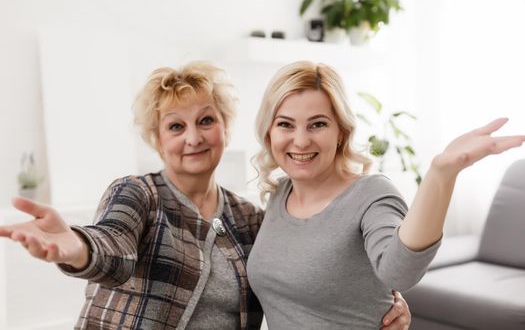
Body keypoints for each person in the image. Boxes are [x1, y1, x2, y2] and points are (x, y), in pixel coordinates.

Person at [0, 61, 411, 329]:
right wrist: (75, 247)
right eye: (175, 127)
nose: (193, 138)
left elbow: (302, 274)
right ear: (157, 140)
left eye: (206, 120)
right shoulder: (139, 194)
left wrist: (382, 303)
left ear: (227, 129)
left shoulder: (251, 218)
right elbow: (113, 247)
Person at [247, 60, 525, 330]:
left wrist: (440, 174)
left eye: (317, 124)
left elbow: (399, 272)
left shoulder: (371, 194)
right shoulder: (279, 195)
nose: (301, 140)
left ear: (341, 132)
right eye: (285, 124)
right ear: (269, 132)